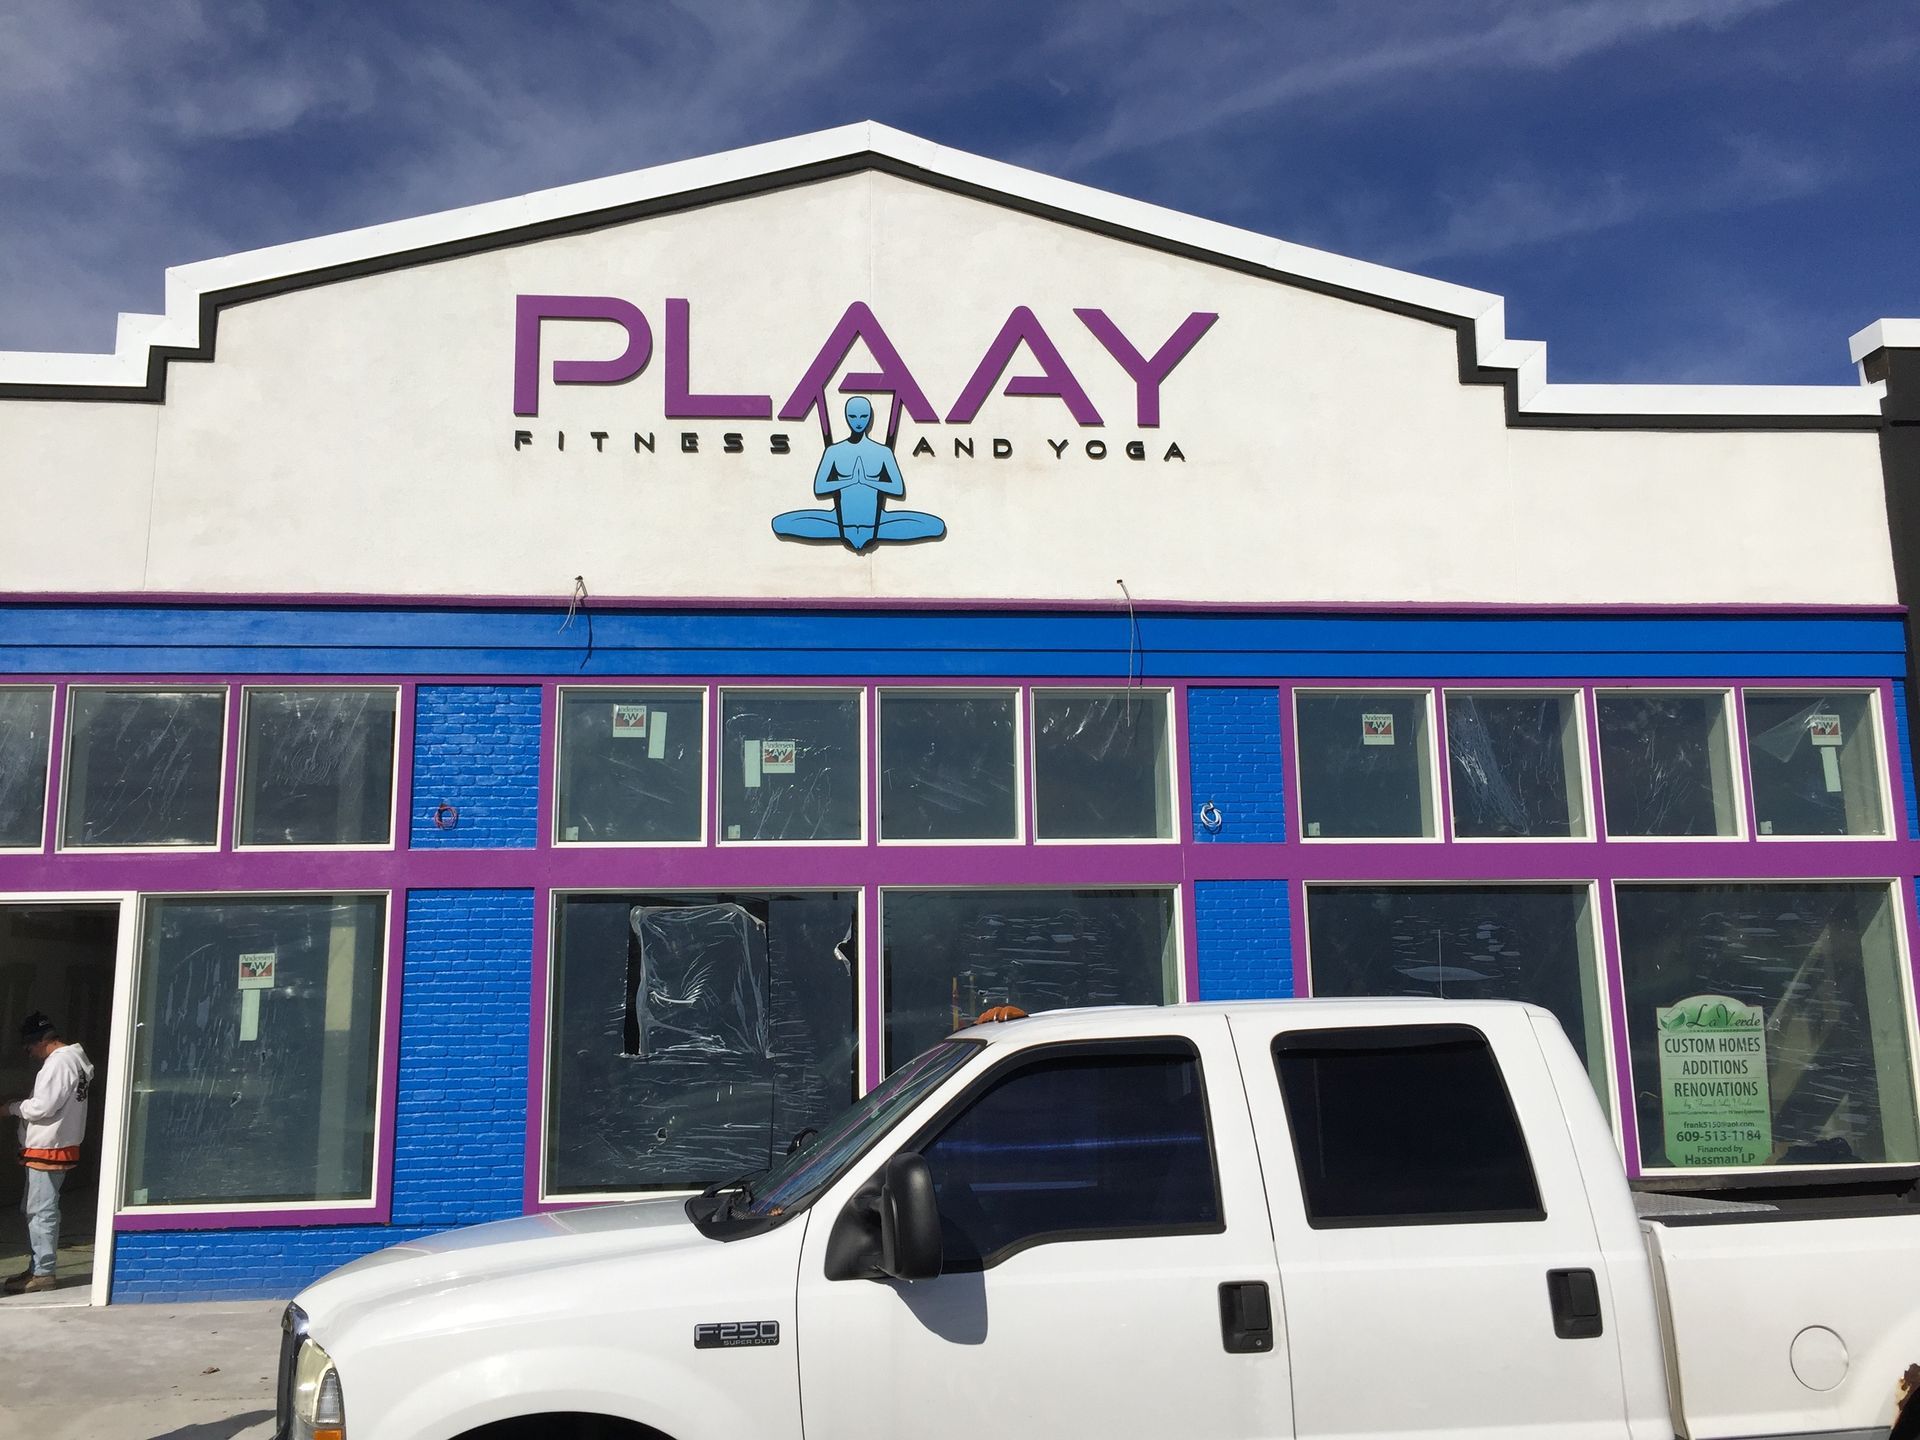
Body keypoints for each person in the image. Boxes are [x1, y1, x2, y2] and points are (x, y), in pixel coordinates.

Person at [771, 395, 946, 552]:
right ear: (846, 418)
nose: (858, 421)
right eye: (853, 416)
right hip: (837, 525)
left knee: (936, 526)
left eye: (863, 416)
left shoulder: (882, 452)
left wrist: (868, 481)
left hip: (879, 525)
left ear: (870, 417)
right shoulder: (834, 451)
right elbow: (820, 487)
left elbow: (897, 488)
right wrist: (850, 481)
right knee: (780, 524)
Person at [6, 1013, 93, 1294]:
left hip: (49, 1148)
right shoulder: (74, 1061)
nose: (29, 1054)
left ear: (41, 1041)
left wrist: (12, 1107)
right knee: (36, 1210)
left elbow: (43, 1107)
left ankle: (43, 1271)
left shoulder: (58, 1063)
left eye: (28, 1048)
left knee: (41, 1212)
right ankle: (38, 1266)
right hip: (57, 1146)